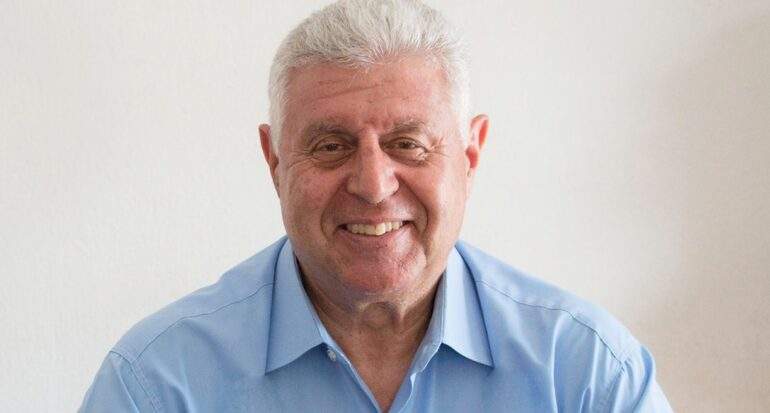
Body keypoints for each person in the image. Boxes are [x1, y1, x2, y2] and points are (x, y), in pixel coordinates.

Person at [80, 0, 672, 411]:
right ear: (275, 161)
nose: (372, 184)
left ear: (470, 155)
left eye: (407, 144)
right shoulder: (156, 387)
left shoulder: (586, 376)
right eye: (331, 146)